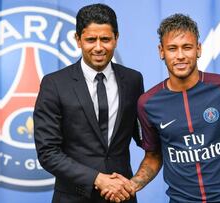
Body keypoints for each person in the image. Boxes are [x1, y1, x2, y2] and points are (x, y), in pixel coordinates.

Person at [124, 13, 220, 203]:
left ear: (198, 49)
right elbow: (153, 156)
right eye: (172, 48)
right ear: (161, 51)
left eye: (187, 47)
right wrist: (132, 184)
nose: (180, 56)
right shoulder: (147, 103)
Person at [33, 3, 143, 203]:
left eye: (106, 39)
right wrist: (97, 179)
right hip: (72, 198)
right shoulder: (54, 84)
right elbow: (47, 152)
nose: (99, 47)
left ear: (116, 39)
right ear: (78, 40)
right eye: (91, 39)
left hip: (122, 197)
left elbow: (144, 136)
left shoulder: (133, 80)